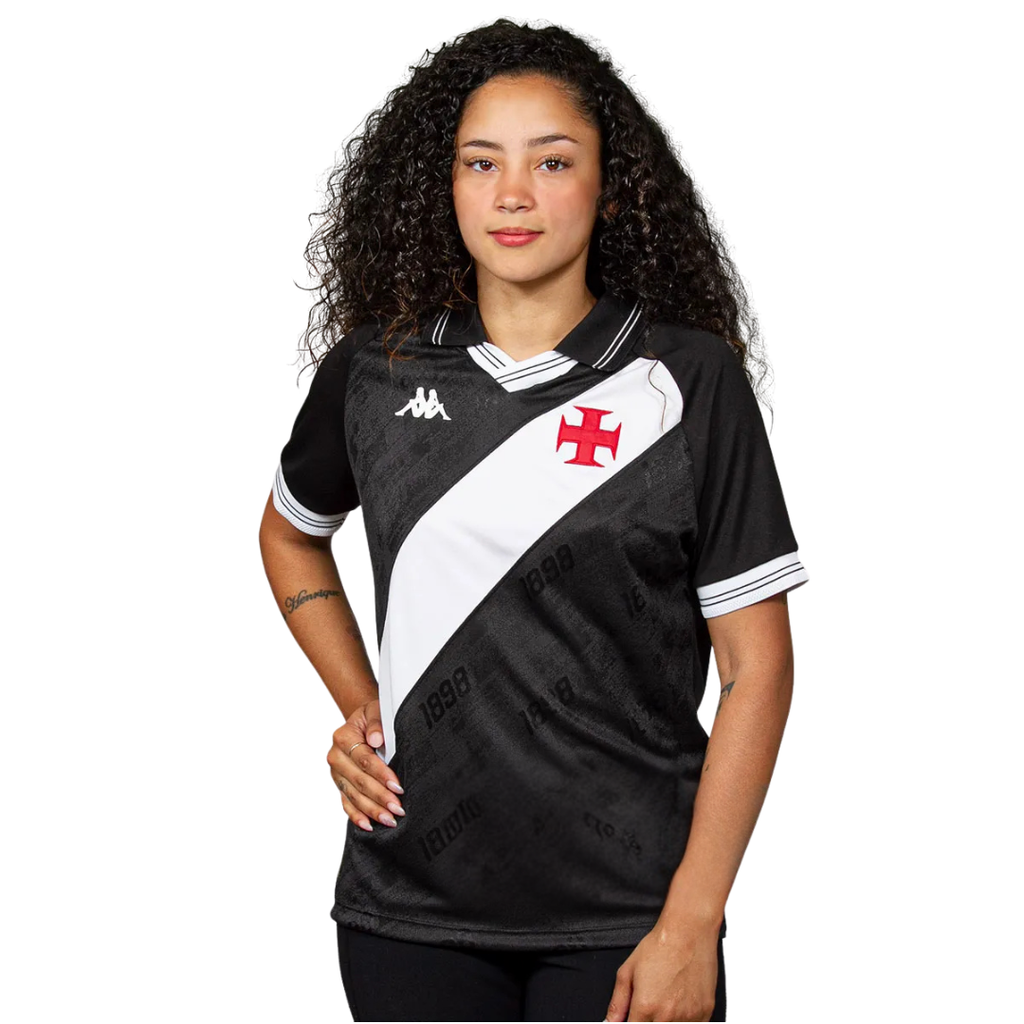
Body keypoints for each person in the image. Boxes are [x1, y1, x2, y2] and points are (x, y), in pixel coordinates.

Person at [258, 17, 808, 1023]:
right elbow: (291, 532)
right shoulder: (376, 371)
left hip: (627, 914)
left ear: (611, 187)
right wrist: (364, 706)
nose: (512, 194)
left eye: (552, 161)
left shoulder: (683, 382)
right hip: (407, 908)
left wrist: (692, 921)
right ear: (445, 185)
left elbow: (756, 669)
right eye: (482, 163)